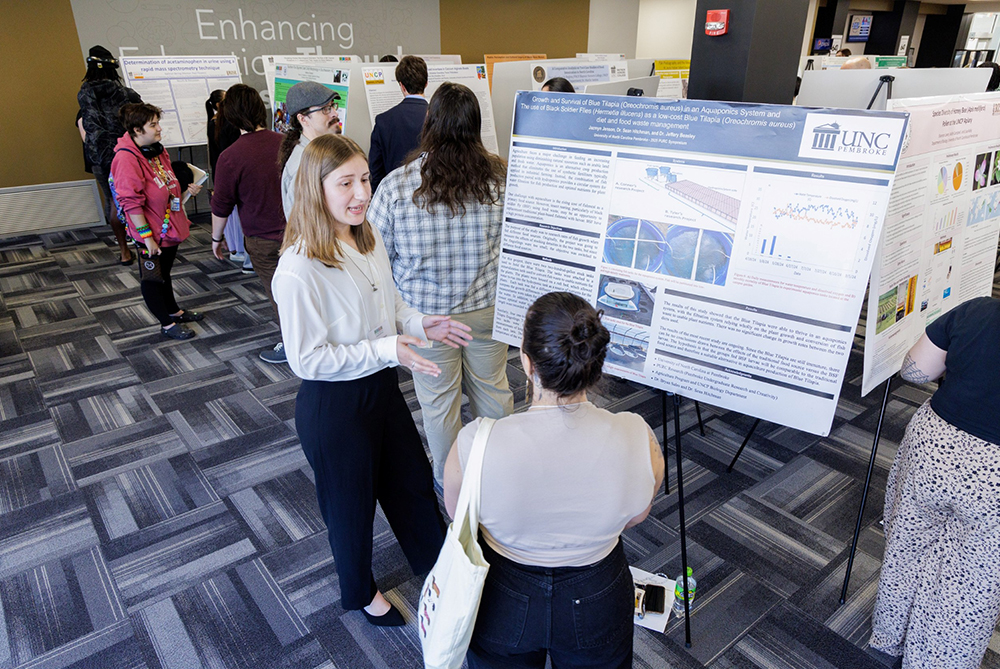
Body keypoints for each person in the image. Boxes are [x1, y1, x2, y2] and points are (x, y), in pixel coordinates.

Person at [272, 134, 472, 626]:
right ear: (315, 191)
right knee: (350, 509)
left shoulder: (367, 235)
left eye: (364, 178)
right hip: (334, 408)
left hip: (380, 389)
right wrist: (387, 349)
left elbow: (391, 306)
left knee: (410, 485)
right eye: (346, 183)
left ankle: (440, 568)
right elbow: (306, 360)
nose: (361, 192)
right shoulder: (298, 268)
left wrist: (420, 323)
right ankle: (360, 593)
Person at [443, 291, 664, 668]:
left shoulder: (476, 442)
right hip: (598, 593)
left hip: (501, 596)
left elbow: (459, 516)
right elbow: (636, 516)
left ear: (526, 362)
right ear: (596, 364)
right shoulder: (636, 434)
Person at [368, 82, 514, 486]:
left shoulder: (397, 186)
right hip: (487, 311)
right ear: (475, 126)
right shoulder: (502, 179)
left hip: (427, 321)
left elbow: (378, 258)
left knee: (439, 406)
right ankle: (499, 476)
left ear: (429, 123)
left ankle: (450, 485)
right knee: (493, 394)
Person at [870, 296, 1000, 669]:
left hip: (933, 450)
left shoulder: (979, 311)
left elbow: (914, 372)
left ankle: (888, 640)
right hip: (993, 481)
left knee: (907, 544)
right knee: (972, 581)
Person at [109, 103, 204, 339]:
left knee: (165, 273)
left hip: (168, 227)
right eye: (153, 125)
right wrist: (147, 238)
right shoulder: (126, 159)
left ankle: (173, 311)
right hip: (150, 233)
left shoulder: (156, 150)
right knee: (153, 278)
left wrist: (184, 189)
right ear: (136, 130)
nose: (159, 128)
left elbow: (166, 182)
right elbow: (131, 203)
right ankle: (166, 324)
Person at [210, 84, 287, 363]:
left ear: (229, 116)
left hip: (263, 240)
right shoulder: (287, 143)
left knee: (279, 295)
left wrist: (216, 240)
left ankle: (294, 346)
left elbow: (221, 205)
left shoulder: (230, 157)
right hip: (301, 233)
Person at [78, 45, 141, 265]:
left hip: (99, 156)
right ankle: (140, 239)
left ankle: (123, 248)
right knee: (133, 198)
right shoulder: (125, 93)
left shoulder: (85, 92)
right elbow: (139, 120)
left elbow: (89, 124)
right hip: (126, 153)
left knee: (112, 200)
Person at [278, 81, 342, 218]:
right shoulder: (302, 166)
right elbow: (305, 224)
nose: (334, 113)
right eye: (325, 109)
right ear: (303, 119)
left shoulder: (320, 151)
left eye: (332, 106)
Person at [368, 56, 428, 192]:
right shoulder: (439, 119)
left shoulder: (383, 120)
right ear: (426, 83)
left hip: (395, 196)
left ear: (401, 85)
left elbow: (376, 170)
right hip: (432, 197)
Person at [206, 90, 251, 272]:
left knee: (231, 215)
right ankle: (243, 254)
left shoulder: (213, 122)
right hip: (235, 173)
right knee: (242, 214)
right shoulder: (231, 126)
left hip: (222, 172)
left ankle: (235, 249)